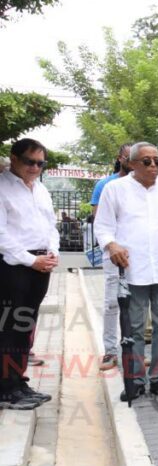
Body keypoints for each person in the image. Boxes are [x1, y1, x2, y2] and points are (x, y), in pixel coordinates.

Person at [95, 143, 158, 399]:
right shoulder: (114, 189)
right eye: (146, 161)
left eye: (157, 161)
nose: (154, 166)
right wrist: (111, 244)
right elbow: (102, 226)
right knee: (134, 327)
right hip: (132, 269)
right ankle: (135, 379)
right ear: (132, 164)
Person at [0, 138, 58, 410]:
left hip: (40, 265)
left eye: (40, 163)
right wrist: (30, 260)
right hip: (14, 267)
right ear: (14, 158)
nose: (35, 168)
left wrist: (52, 252)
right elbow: (1, 236)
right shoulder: (2, 187)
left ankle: (18, 381)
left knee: (26, 326)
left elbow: (51, 226)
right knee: (9, 328)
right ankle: (5, 389)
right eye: (29, 162)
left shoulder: (41, 190)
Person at [93, 144, 132, 371]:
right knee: (111, 302)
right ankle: (110, 351)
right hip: (113, 253)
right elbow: (100, 221)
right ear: (121, 158)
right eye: (130, 156)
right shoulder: (105, 185)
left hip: (138, 254)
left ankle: (134, 351)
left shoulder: (144, 186)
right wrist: (113, 243)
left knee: (137, 305)